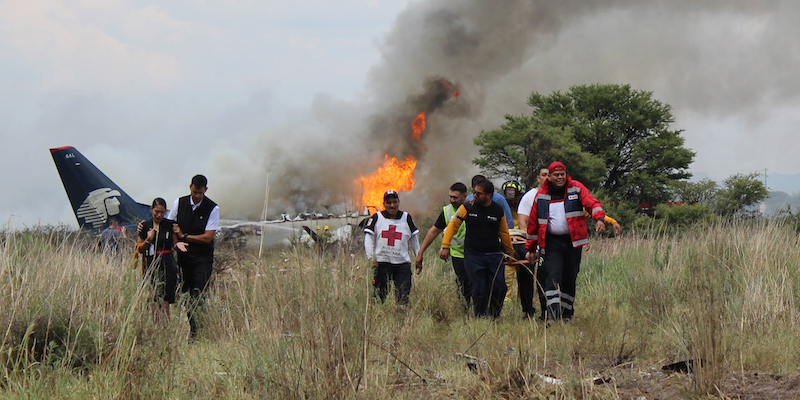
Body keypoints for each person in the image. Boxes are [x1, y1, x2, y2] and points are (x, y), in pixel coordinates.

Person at [518, 166, 623, 319]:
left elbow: (593, 204)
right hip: (551, 243)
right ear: (550, 177)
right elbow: (533, 224)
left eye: (562, 174)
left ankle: (567, 315)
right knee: (552, 277)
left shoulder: (576, 188)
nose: (560, 177)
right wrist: (531, 249)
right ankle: (552, 316)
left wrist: (600, 219)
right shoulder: (541, 196)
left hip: (573, 243)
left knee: (569, 278)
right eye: (556, 175)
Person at [440, 179, 514, 318]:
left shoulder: (498, 210)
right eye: (474, 192)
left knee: (500, 287)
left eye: (478, 193)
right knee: (479, 287)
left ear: (489, 195)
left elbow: (504, 233)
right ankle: (480, 317)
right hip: (473, 255)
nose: (474, 195)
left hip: (494, 255)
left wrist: (510, 253)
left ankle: (493, 316)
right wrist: (445, 246)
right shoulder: (467, 207)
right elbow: (452, 227)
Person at [167, 174, 220, 339]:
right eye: (195, 191)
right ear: (190, 187)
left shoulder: (213, 208)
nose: (197, 196)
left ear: (206, 190)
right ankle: (194, 330)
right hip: (184, 258)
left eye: (201, 193)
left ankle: (199, 332)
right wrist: (177, 243)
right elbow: (171, 225)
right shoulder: (179, 203)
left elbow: (207, 237)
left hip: (202, 259)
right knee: (186, 294)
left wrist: (185, 236)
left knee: (198, 294)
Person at [415, 182, 471, 305]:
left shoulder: (472, 209)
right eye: (450, 196)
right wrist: (421, 252)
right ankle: (466, 310)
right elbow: (434, 231)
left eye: (455, 197)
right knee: (464, 283)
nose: (452, 200)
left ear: (464, 196)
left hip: (474, 254)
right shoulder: (447, 211)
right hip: (458, 254)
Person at [364, 190, 420, 305]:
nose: (392, 205)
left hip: (402, 264)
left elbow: (414, 239)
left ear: (398, 202)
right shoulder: (377, 218)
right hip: (382, 263)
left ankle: (401, 319)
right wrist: (370, 257)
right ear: (384, 204)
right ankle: (378, 319)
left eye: (395, 202)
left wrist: (418, 256)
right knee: (380, 297)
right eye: (389, 203)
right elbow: (368, 238)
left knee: (403, 295)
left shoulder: (406, 218)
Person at [136, 198, 187, 322]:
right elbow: (140, 249)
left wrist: (178, 245)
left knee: (165, 296)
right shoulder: (145, 226)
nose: (159, 215)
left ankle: (165, 324)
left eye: (162, 212)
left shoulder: (169, 225)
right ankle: (155, 322)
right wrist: (149, 239)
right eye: (156, 211)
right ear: (151, 210)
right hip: (151, 262)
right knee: (152, 295)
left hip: (167, 262)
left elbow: (174, 243)